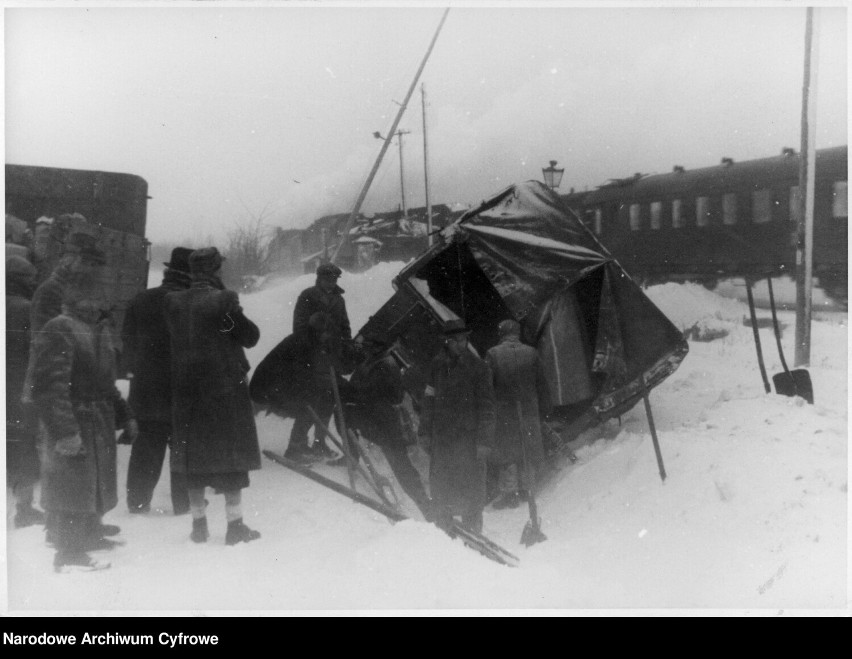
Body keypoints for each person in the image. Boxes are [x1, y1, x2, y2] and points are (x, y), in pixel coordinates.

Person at [25, 230, 126, 545]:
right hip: (61, 384)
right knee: (66, 465)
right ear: (71, 257)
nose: (92, 269)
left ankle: (86, 525)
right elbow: (46, 344)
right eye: (87, 261)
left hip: (84, 377)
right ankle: (63, 533)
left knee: (88, 464)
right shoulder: (51, 291)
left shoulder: (84, 290)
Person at [30, 281, 136, 572]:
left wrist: (126, 415)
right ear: (74, 298)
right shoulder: (60, 327)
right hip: (73, 420)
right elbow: (50, 388)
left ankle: (88, 535)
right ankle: (68, 554)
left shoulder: (95, 329)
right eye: (91, 297)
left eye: (100, 298)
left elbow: (107, 385)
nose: (99, 303)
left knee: (91, 483)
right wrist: (66, 432)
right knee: (72, 485)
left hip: (96, 420)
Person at [165, 247, 262, 545]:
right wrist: (232, 314)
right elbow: (249, 336)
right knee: (231, 459)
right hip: (223, 391)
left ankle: (199, 526)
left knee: (194, 459)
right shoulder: (222, 302)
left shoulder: (174, 302)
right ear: (216, 270)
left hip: (187, 392)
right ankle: (235, 527)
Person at [122, 247, 194, 515]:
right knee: (183, 448)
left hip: (146, 390)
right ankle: (184, 503)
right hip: (181, 389)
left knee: (146, 448)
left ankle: (137, 502)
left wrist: (137, 372)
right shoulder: (190, 302)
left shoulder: (141, 299)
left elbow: (126, 342)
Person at [347, 330, 434, 519]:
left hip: (386, 424)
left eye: (368, 345)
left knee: (401, 466)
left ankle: (425, 506)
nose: (364, 348)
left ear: (376, 347)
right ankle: (421, 504)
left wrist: (359, 393)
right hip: (374, 423)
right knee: (398, 464)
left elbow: (393, 394)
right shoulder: (370, 363)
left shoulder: (386, 365)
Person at [420, 320, 496, 534]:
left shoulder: (479, 368)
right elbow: (429, 400)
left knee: (471, 489)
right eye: (455, 340)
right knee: (442, 487)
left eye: (463, 339)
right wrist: (424, 431)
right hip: (443, 440)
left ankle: (473, 532)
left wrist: (484, 441)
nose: (460, 344)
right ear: (446, 342)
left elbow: (487, 408)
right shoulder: (436, 366)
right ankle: (445, 532)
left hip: (468, 441)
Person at [249, 312, 349, 463]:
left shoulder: (314, 342)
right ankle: (294, 449)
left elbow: (319, 370)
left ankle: (318, 443)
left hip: (281, 384)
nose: (328, 337)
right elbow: (300, 375)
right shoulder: (302, 343)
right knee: (309, 402)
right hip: (267, 387)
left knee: (325, 396)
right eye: (326, 333)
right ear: (319, 331)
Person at [484, 318, 552, 510]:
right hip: (529, 410)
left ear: (502, 334)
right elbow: (542, 384)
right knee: (527, 449)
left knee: (507, 453)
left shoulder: (492, 354)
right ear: (518, 333)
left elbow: (486, 387)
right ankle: (527, 489)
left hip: (505, 414)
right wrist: (545, 409)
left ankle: (510, 494)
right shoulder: (531, 353)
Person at [291, 262, 352, 458]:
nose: (331, 283)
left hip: (331, 358)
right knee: (310, 400)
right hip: (311, 357)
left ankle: (319, 443)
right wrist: (316, 338)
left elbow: (345, 326)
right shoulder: (307, 296)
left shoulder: (339, 300)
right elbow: (299, 326)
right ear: (319, 278)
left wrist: (347, 347)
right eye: (328, 279)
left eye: (334, 280)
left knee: (327, 401)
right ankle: (295, 446)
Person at [5, 255, 45, 528]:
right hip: (18, 390)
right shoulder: (27, 309)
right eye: (31, 279)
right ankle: (24, 508)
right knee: (24, 447)